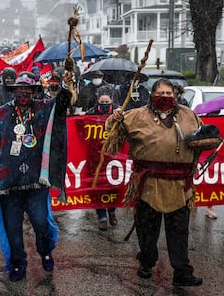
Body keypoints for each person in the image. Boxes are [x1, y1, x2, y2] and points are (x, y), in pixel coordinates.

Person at [105, 78, 203, 287]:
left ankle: (182, 272)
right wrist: (114, 119)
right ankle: (147, 263)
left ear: (175, 95)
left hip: (179, 187)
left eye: (169, 93)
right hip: (148, 185)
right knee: (147, 230)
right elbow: (113, 135)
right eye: (161, 93)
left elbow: (203, 137)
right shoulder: (136, 115)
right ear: (152, 95)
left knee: (179, 232)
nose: (166, 97)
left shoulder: (189, 116)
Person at [0, 71, 73, 282]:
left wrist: (67, 85)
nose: (23, 93)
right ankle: (18, 263)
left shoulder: (44, 109)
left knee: (41, 223)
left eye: (28, 89)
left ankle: (45, 249)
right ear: (13, 91)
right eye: (19, 89)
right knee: (13, 229)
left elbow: (62, 103)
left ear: (34, 91)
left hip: (35, 182)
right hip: (8, 183)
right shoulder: (1, 113)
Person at [85, 86, 120, 230]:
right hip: (96, 156)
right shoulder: (90, 113)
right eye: (102, 102)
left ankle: (111, 211)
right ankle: (102, 216)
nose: (104, 104)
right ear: (98, 101)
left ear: (111, 101)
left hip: (114, 157)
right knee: (98, 187)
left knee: (113, 186)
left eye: (107, 102)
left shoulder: (119, 113)